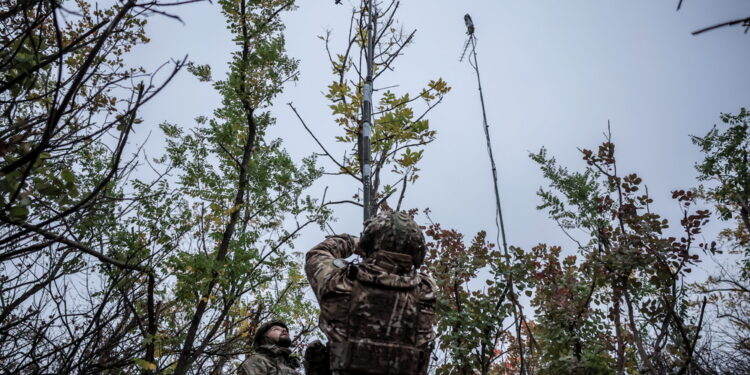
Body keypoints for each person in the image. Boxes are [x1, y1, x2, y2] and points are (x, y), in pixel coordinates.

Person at [305, 210, 437, 375]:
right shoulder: (426, 291)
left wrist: (355, 242)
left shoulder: (340, 283)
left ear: (370, 241)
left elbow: (317, 254)